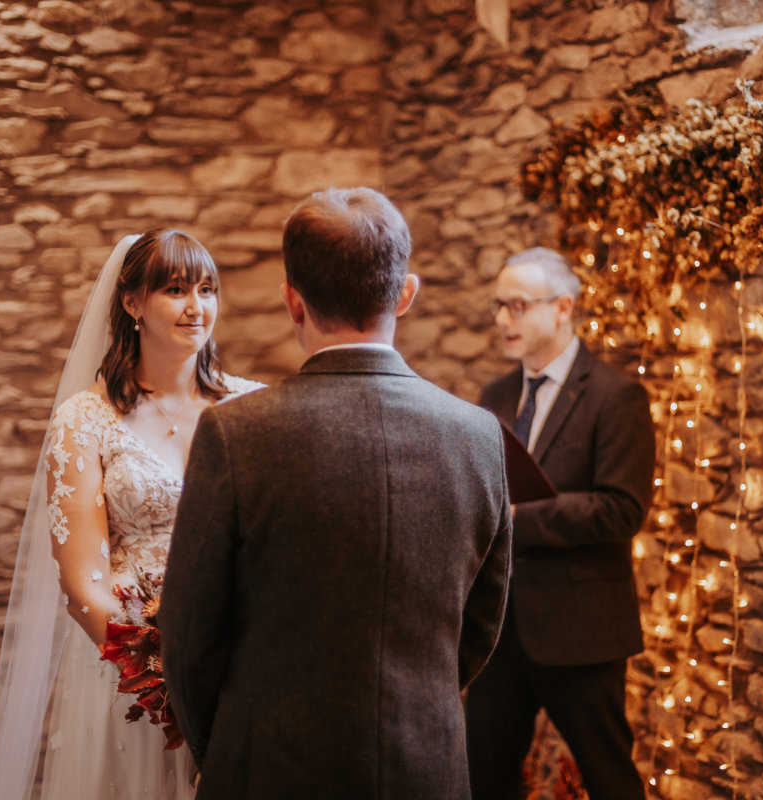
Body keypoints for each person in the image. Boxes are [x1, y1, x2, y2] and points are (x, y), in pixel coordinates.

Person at [158, 187, 513, 800]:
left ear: (292, 303)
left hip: (269, 768)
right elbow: (482, 621)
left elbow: (188, 637)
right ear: (405, 294)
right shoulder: (478, 435)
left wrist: (230, 748)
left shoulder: (237, 434)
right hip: (424, 768)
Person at [0, 229, 262, 800]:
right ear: (132, 303)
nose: (196, 307)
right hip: (134, 673)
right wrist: (162, 677)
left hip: (240, 670)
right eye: (175, 290)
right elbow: (83, 586)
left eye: (207, 289)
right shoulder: (86, 422)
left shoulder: (255, 408)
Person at [466, 247, 655, 800]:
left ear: (563, 307)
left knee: (610, 779)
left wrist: (516, 519)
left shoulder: (616, 396)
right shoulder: (495, 395)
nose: (503, 319)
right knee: (484, 778)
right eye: (500, 306)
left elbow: (622, 508)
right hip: (498, 630)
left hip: (581, 630)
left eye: (517, 306)